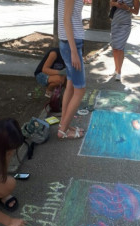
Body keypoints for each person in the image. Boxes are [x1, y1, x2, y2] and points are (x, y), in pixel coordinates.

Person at [0, 118, 27, 226]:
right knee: (6, 185)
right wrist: (10, 222)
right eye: (9, 152)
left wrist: (7, 155)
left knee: (8, 184)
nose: (11, 154)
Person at [57, 0, 86, 139]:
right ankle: (63, 131)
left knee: (70, 84)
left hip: (70, 43)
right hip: (71, 45)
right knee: (80, 90)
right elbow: (66, 20)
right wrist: (74, 51)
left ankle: (64, 124)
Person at [110, 0, 140, 81]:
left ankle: (119, 72)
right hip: (115, 23)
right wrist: (116, 4)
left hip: (125, 25)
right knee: (115, 48)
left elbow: (136, 12)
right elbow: (110, 3)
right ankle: (116, 68)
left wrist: (127, 8)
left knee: (120, 48)